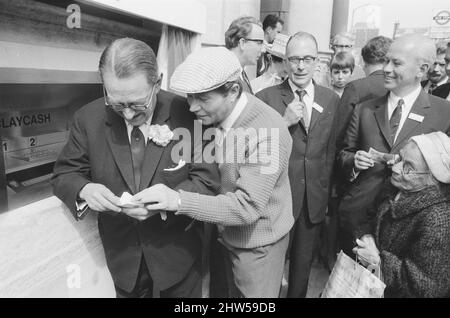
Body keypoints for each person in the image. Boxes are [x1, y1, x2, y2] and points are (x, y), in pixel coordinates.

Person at [51, 38, 220, 298]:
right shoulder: (88, 118)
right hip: (123, 257)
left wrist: (170, 201)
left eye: (138, 105)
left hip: (178, 256)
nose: (128, 115)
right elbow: (64, 174)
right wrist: (85, 189)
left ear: (158, 82)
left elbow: (207, 182)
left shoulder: (188, 114)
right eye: (117, 104)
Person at [133, 47, 294, 298]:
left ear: (233, 91)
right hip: (223, 236)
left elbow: (246, 208)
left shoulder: (267, 132)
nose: (192, 107)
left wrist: (177, 199)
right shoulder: (212, 116)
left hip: (257, 247)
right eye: (189, 96)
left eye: (203, 99)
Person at [337, 34, 450, 258]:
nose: (386, 69)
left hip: (409, 229)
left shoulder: (443, 114)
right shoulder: (365, 109)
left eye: (396, 63)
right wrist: (354, 162)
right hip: (357, 220)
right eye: (386, 60)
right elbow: (342, 154)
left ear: (421, 69)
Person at [256, 32, 340, 298]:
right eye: (294, 59)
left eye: (307, 59)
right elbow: (255, 151)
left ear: (317, 62)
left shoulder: (331, 100)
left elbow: (332, 150)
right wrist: (284, 121)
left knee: (301, 273)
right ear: (285, 61)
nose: (300, 65)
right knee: (270, 272)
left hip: (311, 202)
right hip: (276, 200)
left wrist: (327, 195)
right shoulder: (265, 97)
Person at [354, 132, 450, 298]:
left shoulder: (438, 220)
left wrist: (378, 261)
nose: (396, 168)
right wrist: (366, 236)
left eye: (408, 168)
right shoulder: (394, 186)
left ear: (432, 179)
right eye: (399, 159)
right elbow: (369, 216)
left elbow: (426, 288)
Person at [336, 36, 393, 149]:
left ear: (364, 61)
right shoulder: (399, 87)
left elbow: (339, 131)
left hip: (359, 157)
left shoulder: (355, 88)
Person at [225, 16, 265, 94]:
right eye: (259, 43)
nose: (263, 50)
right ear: (242, 43)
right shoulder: (226, 75)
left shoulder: (240, 73)